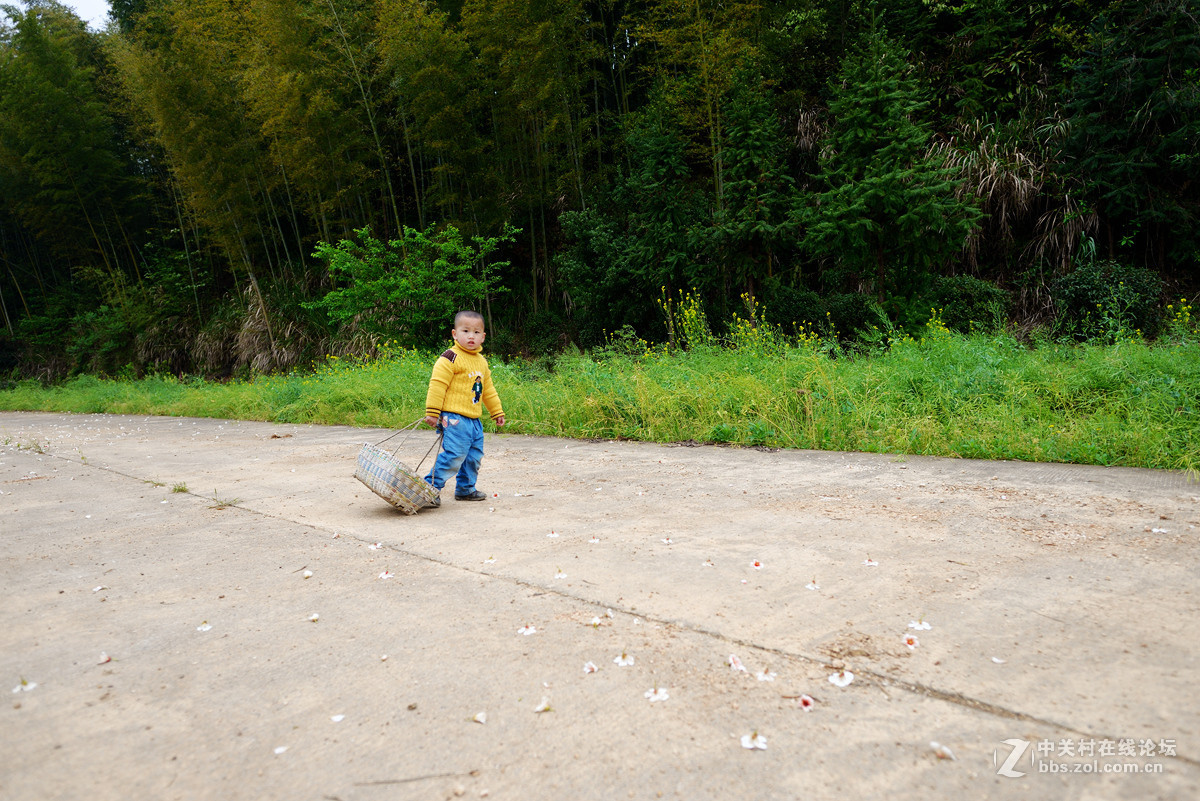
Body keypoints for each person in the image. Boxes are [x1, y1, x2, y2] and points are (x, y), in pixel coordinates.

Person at [423, 310, 506, 505]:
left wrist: (496, 411)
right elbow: (437, 384)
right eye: (466, 331)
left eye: (476, 332)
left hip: (474, 420)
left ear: (483, 337)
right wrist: (433, 412)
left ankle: (466, 489)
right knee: (454, 455)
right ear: (454, 334)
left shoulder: (481, 362)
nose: (471, 336)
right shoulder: (450, 357)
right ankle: (429, 489)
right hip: (454, 418)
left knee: (473, 457)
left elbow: (488, 390)